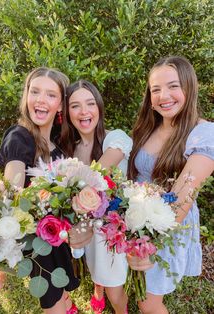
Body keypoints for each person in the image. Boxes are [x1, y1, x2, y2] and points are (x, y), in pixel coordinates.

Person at [127, 55, 214, 314]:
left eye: (173, 86)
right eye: (156, 89)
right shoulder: (147, 128)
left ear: (189, 87)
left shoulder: (203, 133)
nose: (164, 95)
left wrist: (144, 244)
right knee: (139, 293)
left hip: (164, 228)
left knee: (149, 302)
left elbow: (180, 203)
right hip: (135, 222)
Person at [0, 67, 82, 314]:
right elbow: (12, 195)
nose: (41, 100)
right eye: (34, 91)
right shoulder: (20, 137)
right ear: (26, 96)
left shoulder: (56, 141)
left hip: (57, 238)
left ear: (61, 106)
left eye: (50, 95)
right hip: (38, 246)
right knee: (52, 304)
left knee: (62, 293)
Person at [60, 80, 132, 314]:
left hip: (111, 232)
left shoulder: (115, 139)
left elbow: (96, 175)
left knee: (115, 290)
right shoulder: (70, 148)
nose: (84, 112)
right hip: (86, 228)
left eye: (90, 103)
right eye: (75, 106)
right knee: (93, 269)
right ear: (66, 112)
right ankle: (97, 290)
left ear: (99, 107)